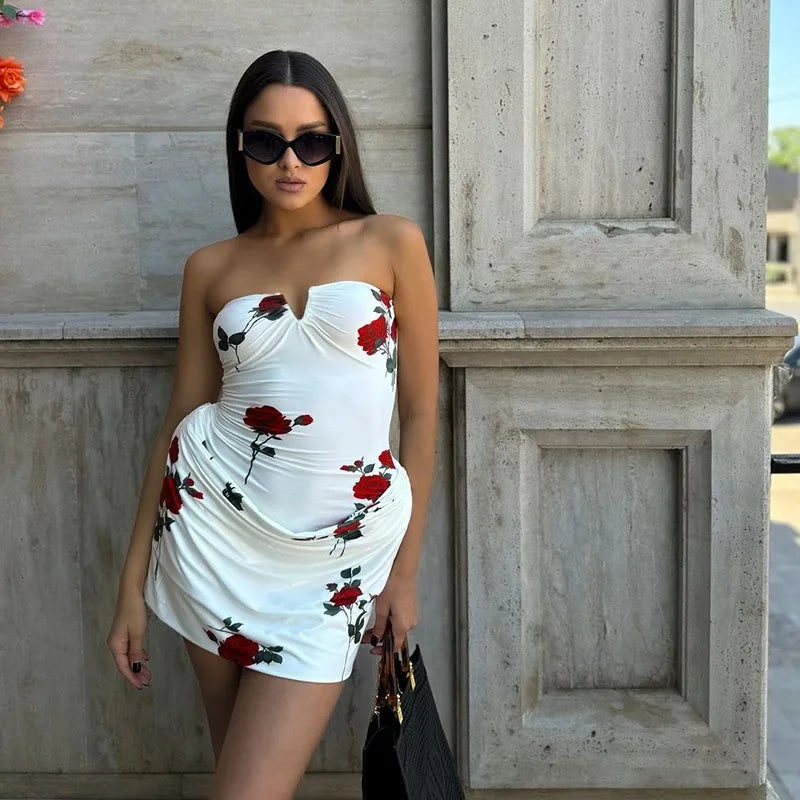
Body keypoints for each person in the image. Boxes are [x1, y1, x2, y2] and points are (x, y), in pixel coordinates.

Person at [105, 49, 439, 799]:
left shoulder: (390, 242)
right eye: (266, 141)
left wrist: (404, 574)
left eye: (311, 141)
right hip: (209, 537)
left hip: (337, 559)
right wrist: (131, 586)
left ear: (337, 146)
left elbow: (419, 412)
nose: (290, 161)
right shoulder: (211, 267)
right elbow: (178, 424)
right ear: (240, 146)